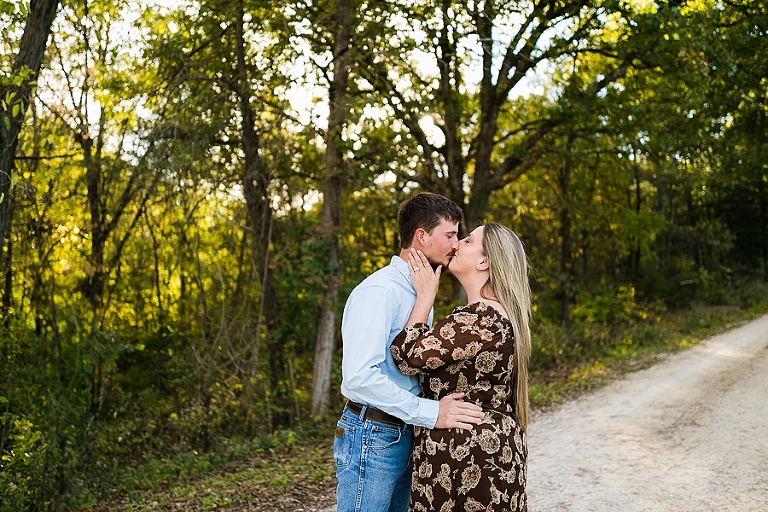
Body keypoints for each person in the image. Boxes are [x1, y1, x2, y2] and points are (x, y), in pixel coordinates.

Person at [335, 192, 485, 512]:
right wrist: (431, 413)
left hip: (403, 430)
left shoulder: (420, 289)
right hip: (373, 435)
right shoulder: (380, 291)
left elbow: (412, 364)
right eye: (449, 235)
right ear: (421, 236)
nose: (456, 244)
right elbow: (360, 377)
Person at [390, 222, 532, 512]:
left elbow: (406, 356)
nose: (456, 245)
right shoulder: (498, 315)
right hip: (491, 450)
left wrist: (425, 296)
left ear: (484, 261)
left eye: (467, 241)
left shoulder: (477, 319)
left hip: (466, 456)